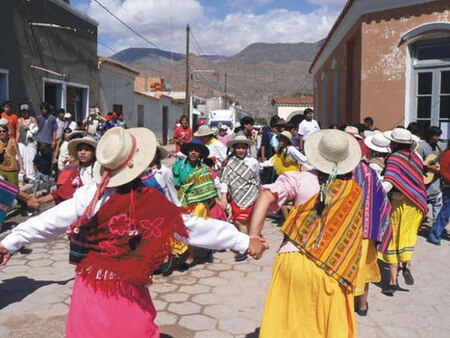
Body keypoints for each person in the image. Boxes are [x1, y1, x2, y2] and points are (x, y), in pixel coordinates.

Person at [0, 126, 266, 338]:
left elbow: (49, 222)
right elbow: (193, 228)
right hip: (126, 286)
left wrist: (10, 242)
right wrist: (244, 241)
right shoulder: (147, 200)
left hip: (90, 285)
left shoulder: (90, 195)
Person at [250, 129, 364, 337]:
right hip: (332, 269)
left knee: (290, 323)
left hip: (294, 261)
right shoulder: (354, 191)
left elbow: (266, 195)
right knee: (324, 326)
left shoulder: (300, 179)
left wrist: (254, 236)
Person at [379, 128, 427, 295]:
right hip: (416, 204)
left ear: (394, 143)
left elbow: (390, 182)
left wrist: (374, 194)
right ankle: (407, 266)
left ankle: (392, 282)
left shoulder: (394, 158)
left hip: (399, 204)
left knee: (393, 238)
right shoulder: (417, 157)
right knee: (407, 237)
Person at [172, 138, 219, 265]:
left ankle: (193, 254)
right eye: (191, 150)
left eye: (196, 151)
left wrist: (219, 202)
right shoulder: (178, 166)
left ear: (200, 154)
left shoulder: (204, 169)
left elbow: (209, 187)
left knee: (195, 228)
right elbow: (175, 185)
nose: (193, 153)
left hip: (200, 203)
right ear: (187, 152)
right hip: (183, 201)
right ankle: (186, 252)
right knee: (182, 227)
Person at [220, 134, 260, 261]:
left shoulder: (253, 162)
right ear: (234, 149)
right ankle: (248, 242)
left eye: (243, 147)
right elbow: (225, 181)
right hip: (236, 196)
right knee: (238, 222)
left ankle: (244, 247)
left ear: (247, 148)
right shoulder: (230, 163)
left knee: (242, 221)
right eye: (238, 148)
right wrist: (224, 196)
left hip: (251, 195)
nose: (241, 150)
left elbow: (257, 179)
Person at [38, 136, 97, 206]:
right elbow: (64, 190)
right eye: (80, 150)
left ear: (94, 153)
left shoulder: (98, 169)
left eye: (87, 150)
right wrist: (42, 200)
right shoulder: (77, 170)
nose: (83, 152)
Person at [418, 126, 443, 223]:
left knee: (438, 207)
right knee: (421, 208)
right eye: (435, 135)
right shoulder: (422, 147)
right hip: (424, 183)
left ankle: (437, 228)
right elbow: (417, 164)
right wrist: (428, 168)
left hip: (435, 184)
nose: (438, 138)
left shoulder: (439, 147)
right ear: (429, 136)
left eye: (439, 135)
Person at [427, 142, 450, 245]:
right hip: (449, 188)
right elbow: (443, 172)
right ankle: (434, 235)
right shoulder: (447, 154)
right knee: (445, 213)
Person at [17, 104, 38, 182]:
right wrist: (16, 142)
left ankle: (32, 176)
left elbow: (36, 129)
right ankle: (24, 176)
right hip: (22, 143)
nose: (24, 113)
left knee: (31, 159)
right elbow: (18, 132)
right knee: (22, 159)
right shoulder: (19, 120)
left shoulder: (33, 119)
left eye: (25, 111)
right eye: (22, 111)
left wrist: (29, 127)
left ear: (28, 111)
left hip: (31, 143)